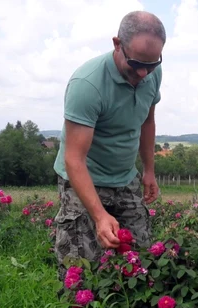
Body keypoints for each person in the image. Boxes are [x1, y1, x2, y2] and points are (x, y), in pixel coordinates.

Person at [52, 10, 165, 277]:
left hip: (125, 177)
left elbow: (147, 122)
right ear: (117, 44)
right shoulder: (87, 84)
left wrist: (148, 170)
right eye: (136, 63)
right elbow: (74, 159)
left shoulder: (151, 72)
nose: (142, 72)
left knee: (141, 257)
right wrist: (100, 216)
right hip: (84, 177)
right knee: (81, 265)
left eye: (151, 64)